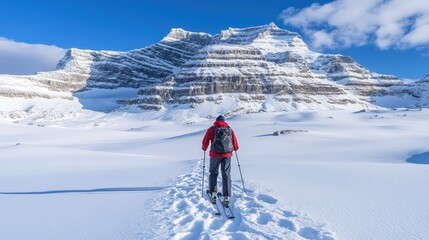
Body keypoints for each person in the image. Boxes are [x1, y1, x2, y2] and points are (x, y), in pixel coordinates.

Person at [202, 115, 239, 207]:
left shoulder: (212, 129)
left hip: (215, 155)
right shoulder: (229, 129)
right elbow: (235, 142)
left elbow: (205, 140)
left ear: (216, 121)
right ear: (224, 121)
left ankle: (213, 193)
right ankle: (226, 196)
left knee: (213, 173)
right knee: (226, 174)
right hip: (227, 155)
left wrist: (204, 147)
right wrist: (235, 148)